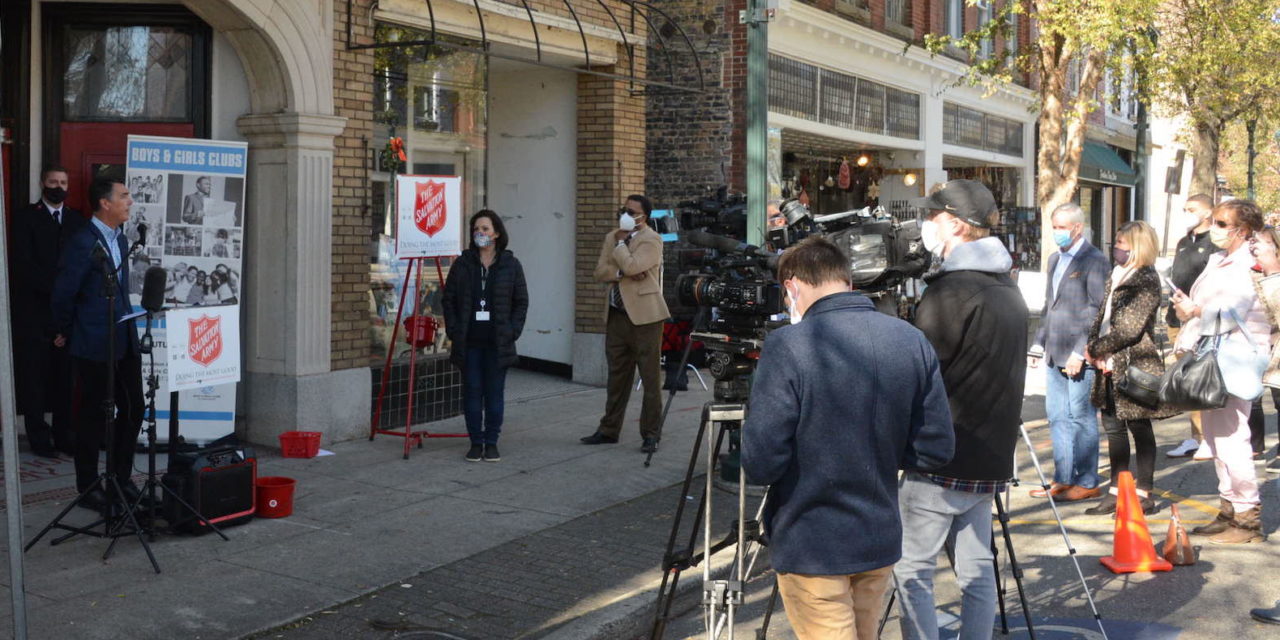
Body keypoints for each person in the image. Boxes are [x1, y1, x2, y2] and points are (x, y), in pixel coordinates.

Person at [741, 236, 954, 640]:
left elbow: (761, 461)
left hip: (812, 540)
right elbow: (936, 447)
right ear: (848, 282)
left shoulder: (788, 345)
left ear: (792, 286)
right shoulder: (909, 339)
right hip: (877, 534)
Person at [894, 179, 1028, 640]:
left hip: (942, 459)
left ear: (953, 223)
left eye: (933, 217)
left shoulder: (953, 291)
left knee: (911, 571)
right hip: (988, 456)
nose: (926, 226)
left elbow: (917, 372)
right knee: (975, 569)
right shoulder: (1005, 285)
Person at [1172, 199, 1270, 544]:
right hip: (1215, 357)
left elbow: (1231, 314)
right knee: (1217, 439)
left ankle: (1247, 518)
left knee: (1232, 439)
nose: (1214, 227)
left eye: (1222, 223)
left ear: (1243, 231)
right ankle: (1229, 510)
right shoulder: (1222, 260)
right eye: (1214, 220)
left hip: (1235, 360)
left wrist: (1193, 311)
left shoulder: (1247, 265)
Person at [50, 177, 145, 515]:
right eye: (124, 196)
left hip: (124, 337)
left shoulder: (120, 239)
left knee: (135, 407)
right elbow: (63, 292)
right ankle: (89, 485)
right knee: (92, 415)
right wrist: (63, 330)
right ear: (105, 203)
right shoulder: (81, 241)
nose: (129, 202)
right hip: (93, 341)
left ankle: (121, 479)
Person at [1082, 221, 1175, 516]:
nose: (1116, 248)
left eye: (1121, 243)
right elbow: (1103, 317)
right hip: (1109, 361)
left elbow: (1130, 329)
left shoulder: (1145, 278)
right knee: (1113, 428)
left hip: (1133, 362)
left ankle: (1144, 491)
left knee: (1138, 427)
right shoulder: (1118, 273)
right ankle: (1116, 490)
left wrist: (1096, 348)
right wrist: (1094, 348)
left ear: (1137, 246)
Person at [1027, 202, 1109, 502]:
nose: (1056, 233)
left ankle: (1087, 480)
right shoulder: (1054, 259)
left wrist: (1081, 351)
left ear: (1077, 228)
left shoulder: (1094, 260)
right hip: (1053, 350)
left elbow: (1096, 310)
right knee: (1057, 417)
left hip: (1078, 353)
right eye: (1054, 226)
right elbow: (1050, 305)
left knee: (1081, 417)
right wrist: (1038, 342)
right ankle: (1063, 477)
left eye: (1061, 227)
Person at [580, 195, 670, 453]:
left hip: (645, 316)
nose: (626, 215)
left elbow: (636, 265)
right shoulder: (612, 236)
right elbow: (600, 271)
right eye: (624, 210)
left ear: (644, 216)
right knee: (617, 376)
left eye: (632, 212)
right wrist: (620, 272)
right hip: (617, 313)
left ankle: (651, 433)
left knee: (650, 377)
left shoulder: (652, 239)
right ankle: (609, 429)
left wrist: (621, 251)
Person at [9, 164, 85, 457]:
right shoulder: (27, 217)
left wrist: (65, 311)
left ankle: (65, 437)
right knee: (35, 380)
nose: (58, 186)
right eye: (53, 181)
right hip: (35, 314)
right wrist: (57, 292)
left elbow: (81, 265)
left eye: (63, 182)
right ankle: (39, 439)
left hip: (67, 316)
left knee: (64, 380)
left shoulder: (77, 220)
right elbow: (24, 266)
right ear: (42, 183)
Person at [442, 210, 529, 462]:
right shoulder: (463, 263)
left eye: (485, 229)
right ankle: (475, 442)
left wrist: (512, 330)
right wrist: (454, 330)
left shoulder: (511, 264)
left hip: (497, 342)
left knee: (494, 394)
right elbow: (449, 300)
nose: (480, 233)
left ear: (497, 233)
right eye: (476, 229)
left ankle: (491, 442)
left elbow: (521, 302)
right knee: (471, 392)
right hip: (469, 342)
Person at [1165, 194, 1217, 459]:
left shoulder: (1214, 244)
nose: (1187, 214)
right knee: (1185, 383)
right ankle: (1195, 436)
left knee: (1200, 380)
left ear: (1208, 213)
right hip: (1177, 319)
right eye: (1185, 209)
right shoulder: (1184, 242)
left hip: (1198, 320)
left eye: (1192, 209)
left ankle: (1208, 437)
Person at [1246, 226, 1280, 476]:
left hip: (1274, 343)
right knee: (1252, 397)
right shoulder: (1249, 272)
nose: (1257, 248)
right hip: (1254, 343)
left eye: (1263, 243)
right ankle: (1254, 445)